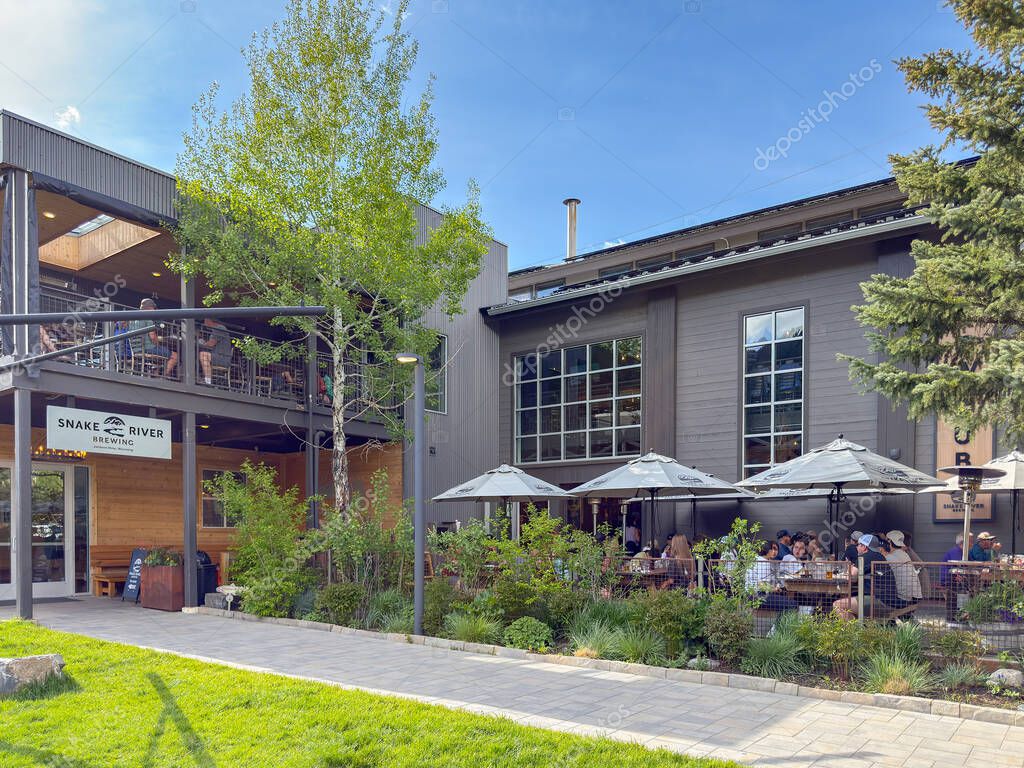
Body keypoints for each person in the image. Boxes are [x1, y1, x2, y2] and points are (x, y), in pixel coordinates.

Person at [832, 534, 897, 620]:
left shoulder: (865, 557)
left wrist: (849, 569)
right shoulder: (878, 556)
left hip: (879, 600)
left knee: (838, 605)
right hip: (888, 598)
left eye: (858, 545)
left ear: (864, 547)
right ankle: (857, 629)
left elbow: (851, 577)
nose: (856, 547)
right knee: (847, 602)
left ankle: (853, 632)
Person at [130, 298, 178, 378]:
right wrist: (157, 343)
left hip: (135, 349)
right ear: (149, 308)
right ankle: (164, 376)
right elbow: (152, 337)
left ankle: (155, 374)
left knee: (161, 352)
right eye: (153, 308)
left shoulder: (132, 320)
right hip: (148, 349)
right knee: (175, 355)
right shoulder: (148, 318)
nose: (154, 310)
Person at [746, 541, 798, 611]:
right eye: (772, 549)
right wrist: (775, 589)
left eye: (776, 549)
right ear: (766, 549)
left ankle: (780, 621)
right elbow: (762, 585)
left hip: (749, 595)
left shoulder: (756, 559)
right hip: (758, 597)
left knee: (784, 599)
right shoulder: (764, 562)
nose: (774, 551)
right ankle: (781, 622)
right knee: (793, 604)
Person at [884, 530, 922, 606]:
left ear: (889, 542)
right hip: (916, 595)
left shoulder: (889, 558)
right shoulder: (905, 555)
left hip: (903, 598)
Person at [197, 316, 231, 385]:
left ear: (208, 320)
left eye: (204, 320)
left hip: (222, 358)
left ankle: (208, 381)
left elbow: (211, 343)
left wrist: (202, 343)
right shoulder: (216, 329)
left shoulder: (220, 328)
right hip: (218, 357)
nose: (204, 322)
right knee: (200, 355)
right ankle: (201, 377)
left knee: (203, 354)